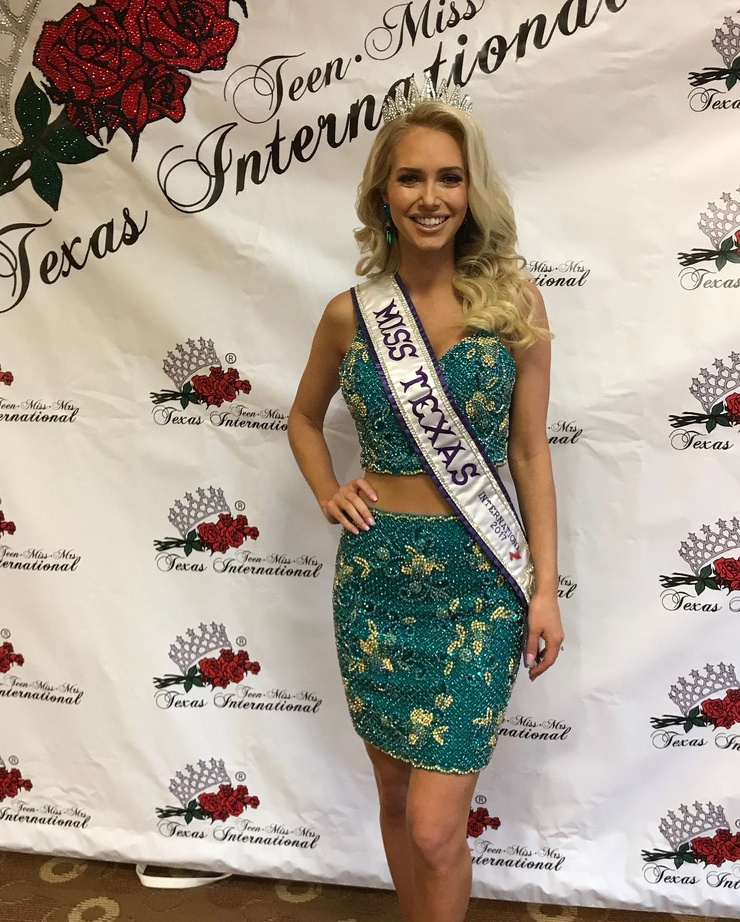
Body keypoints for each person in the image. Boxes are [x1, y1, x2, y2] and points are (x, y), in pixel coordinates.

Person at [288, 76, 563, 922]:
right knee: (396, 798)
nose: (430, 197)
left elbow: (528, 452)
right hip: (376, 579)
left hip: (478, 583)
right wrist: (329, 490)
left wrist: (546, 589)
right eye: (411, 177)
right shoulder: (350, 315)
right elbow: (302, 419)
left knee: (437, 828)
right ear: (383, 192)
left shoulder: (513, 305)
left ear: (472, 192)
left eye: (450, 177)